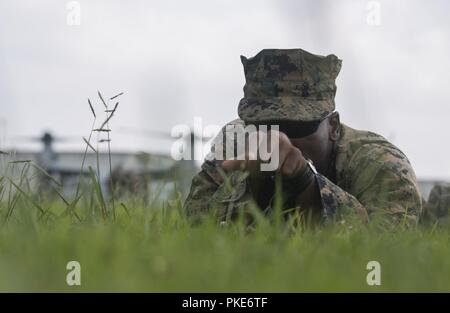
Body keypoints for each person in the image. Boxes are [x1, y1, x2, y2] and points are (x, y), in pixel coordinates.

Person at [183, 48, 422, 228]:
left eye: (297, 127)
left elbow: (381, 253)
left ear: (333, 127)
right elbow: (195, 231)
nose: (280, 140)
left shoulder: (380, 165)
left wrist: (305, 183)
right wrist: (252, 187)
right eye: (265, 127)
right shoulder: (236, 144)